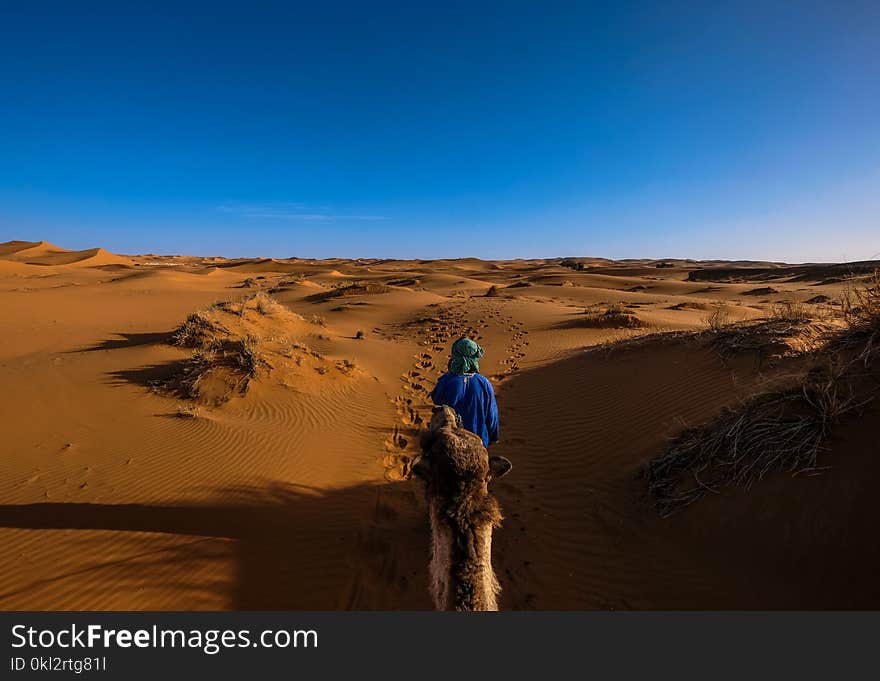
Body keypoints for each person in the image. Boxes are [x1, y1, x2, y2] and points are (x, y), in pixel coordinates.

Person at [429, 337, 499, 448]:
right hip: (478, 441)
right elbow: (492, 414)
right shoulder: (484, 383)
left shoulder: (445, 381)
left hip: (450, 443)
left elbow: (436, 400)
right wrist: (494, 437)